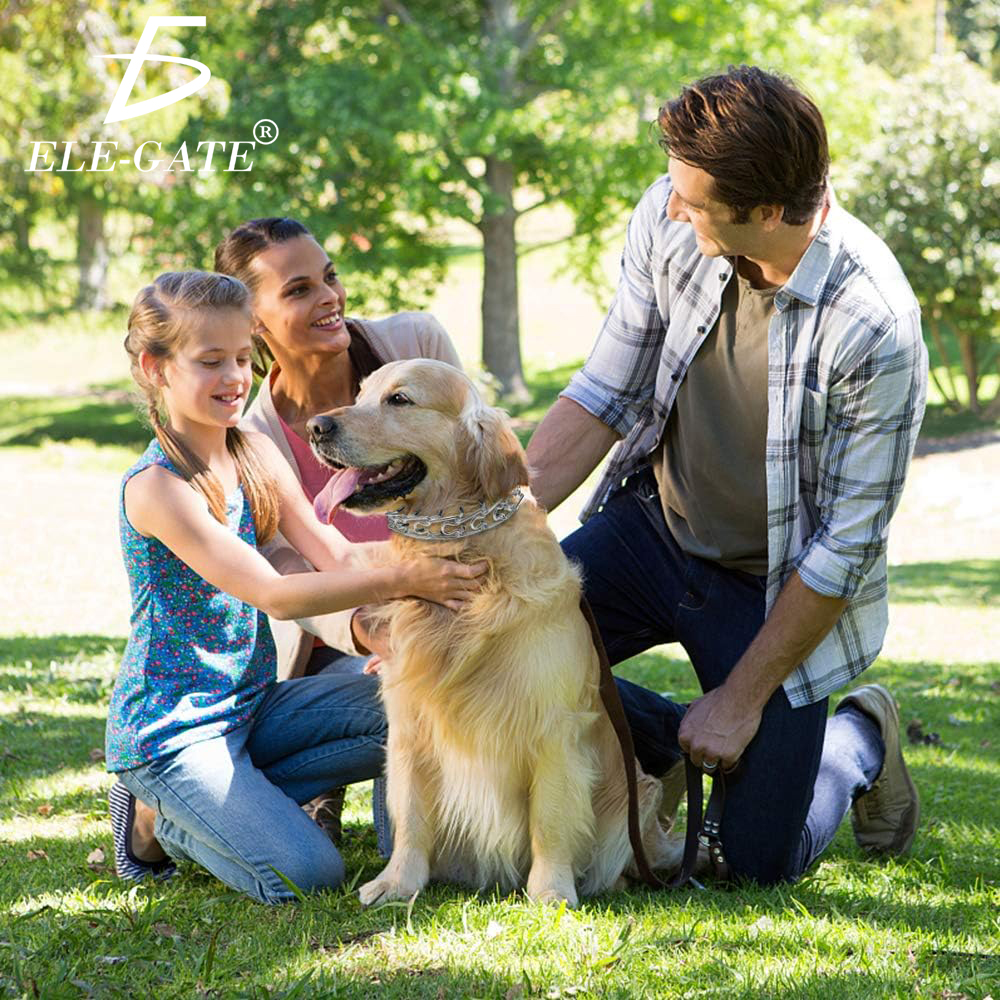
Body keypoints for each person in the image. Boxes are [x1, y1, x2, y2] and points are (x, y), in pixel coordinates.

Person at [526, 66, 927, 885]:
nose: (671, 206)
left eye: (693, 199)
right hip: (654, 530)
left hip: (774, 584)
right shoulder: (668, 219)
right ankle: (682, 730)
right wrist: (493, 533)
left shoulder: (876, 327)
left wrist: (743, 701)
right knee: (512, 636)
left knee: (752, 861)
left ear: (772, 211)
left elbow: (845, 551)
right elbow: (606, 391)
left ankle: (857, 734)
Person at [106, 271, 485, 903]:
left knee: (420, 712)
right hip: (173, 731)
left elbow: (333, 551)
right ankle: (159, 818)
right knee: (307, 876)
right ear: (155, 367)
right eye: (209, 362)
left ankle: (228, 801)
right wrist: (409, 576)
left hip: (253, 706)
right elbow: (275, 595)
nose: (234, 378)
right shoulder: (158, 488)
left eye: (241, 358)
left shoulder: (252, 449)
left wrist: (416, 594)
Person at [214, 217, 462, 843]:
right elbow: (286, 571)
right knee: (402, 833)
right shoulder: (251, 439)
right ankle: (303, 783)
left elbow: (470, 471)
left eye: (329, 278)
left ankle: (662, 744)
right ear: (254, 323)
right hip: (340, 647)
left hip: (454, 606)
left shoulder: (416, 344)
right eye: (298, 290)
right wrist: (369, 631)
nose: (329, 298)